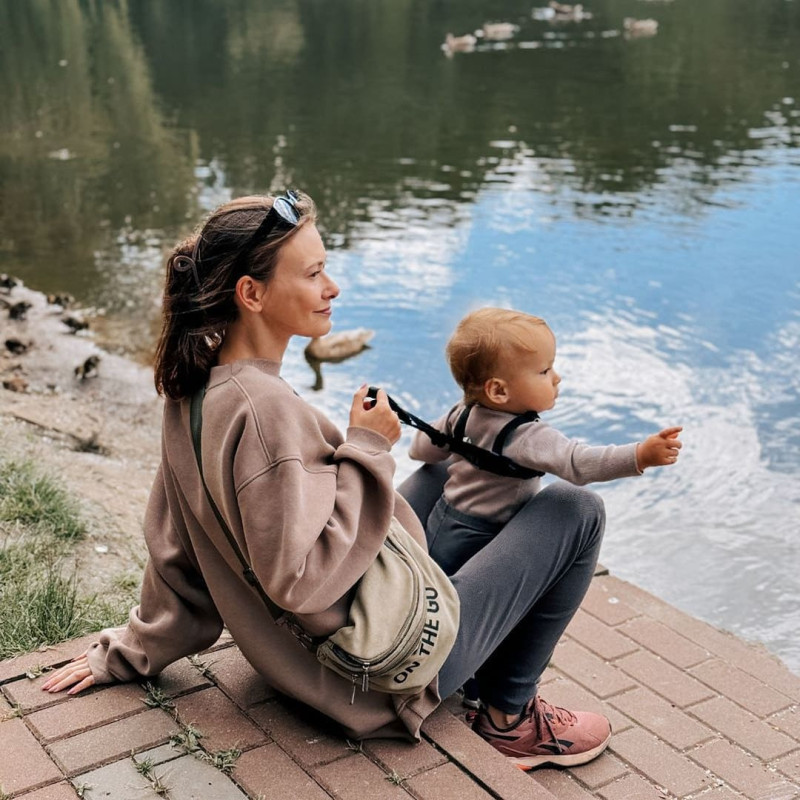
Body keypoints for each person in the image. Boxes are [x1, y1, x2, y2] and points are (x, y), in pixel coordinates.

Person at [43, 192, 615, 770]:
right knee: (575, 510)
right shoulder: (265, 412)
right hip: (376, 672)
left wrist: (132, 650)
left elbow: (175, 550)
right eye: (314, 273)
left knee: (446, 467)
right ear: (252, 294)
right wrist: (365, 447)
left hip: (311, 660)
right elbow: (301, 579)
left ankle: (468, 623)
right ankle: (508, 717)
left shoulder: (193, 392)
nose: (332, 287)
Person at [409, 307, 683, 576]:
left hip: (443, 520)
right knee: (449, 583)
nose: (556, 377)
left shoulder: (461, 413)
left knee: (430, 572)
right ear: (499, 390)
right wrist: (639, 456)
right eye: (544, 371)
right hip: (481, 538)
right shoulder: (526, 436)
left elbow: (421, 450)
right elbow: (578, 463)